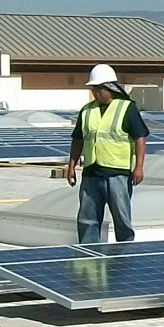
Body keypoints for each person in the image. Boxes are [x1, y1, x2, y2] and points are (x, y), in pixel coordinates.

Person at [65, 64, 147, 243]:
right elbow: (78, 139)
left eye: (100, 88)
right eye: (94, 89)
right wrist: (71, 166)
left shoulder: (127, 108)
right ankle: (89, 257)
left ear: (111, 87)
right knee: (87, 220)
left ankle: (125, 256)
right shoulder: (86, 111)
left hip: (117, 174)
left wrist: (138, 167)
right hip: (91, 174)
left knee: (122, 220)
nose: (96, 92)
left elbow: (140, 138)